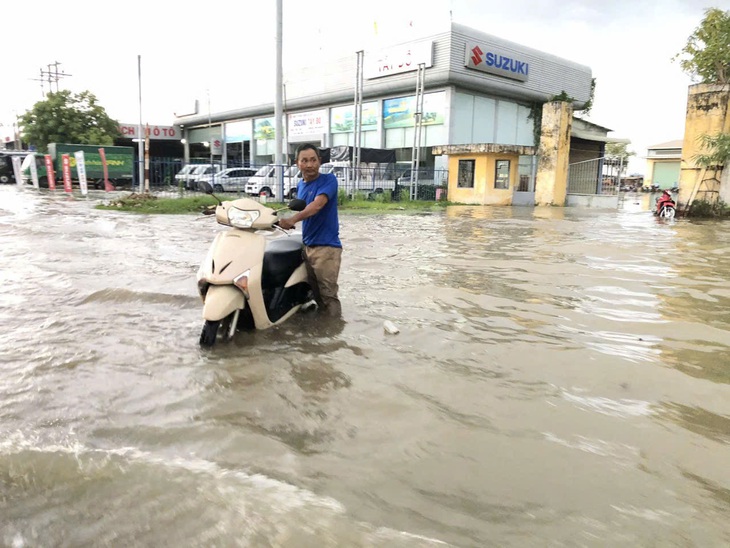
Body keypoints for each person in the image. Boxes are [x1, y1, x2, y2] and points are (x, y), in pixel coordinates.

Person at [278, 143, 342, 317]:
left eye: (313, 160)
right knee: (315, 293)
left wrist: (292, 220)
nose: (309, 165)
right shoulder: (300, 185)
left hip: (326, 248)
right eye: (304, 161)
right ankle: (321, 330)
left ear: (319, 162)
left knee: (328, 296)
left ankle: (334, 333)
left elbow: (316, 206)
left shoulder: (329, 180)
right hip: (308, 247)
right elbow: (301, 208)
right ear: (297, 164)